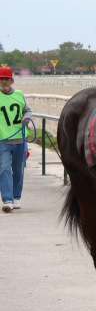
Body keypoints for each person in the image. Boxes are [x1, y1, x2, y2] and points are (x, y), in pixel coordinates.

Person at [0, 67, 32, 212]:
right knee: (4, 169)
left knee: (18, 170)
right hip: (2, 141)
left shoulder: (20, 95)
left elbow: (27, 110)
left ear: (12, 81)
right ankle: (7, 200)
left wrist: (27, 118)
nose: (3, 82)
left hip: (20, 139)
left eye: (6, 79)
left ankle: (16, 197)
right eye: (1, 79)